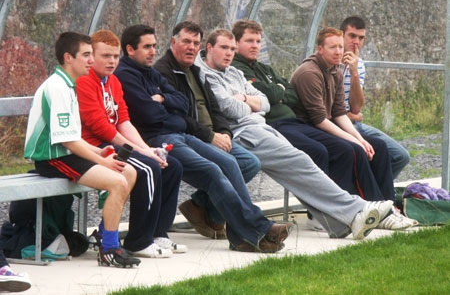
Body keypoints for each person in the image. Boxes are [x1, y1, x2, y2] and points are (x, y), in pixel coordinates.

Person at [196, 28, 393, 240]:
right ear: (209, 47)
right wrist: (250, 101)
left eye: (232, 48)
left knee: (303, 165)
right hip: (244, 134)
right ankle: (356, 209)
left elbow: (265, 102)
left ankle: (338, 222)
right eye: (224, 47)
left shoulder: (233, 72)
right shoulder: (205, 75)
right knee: (302, 160)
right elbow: (231, 109)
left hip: (262, 126)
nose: (229, 53)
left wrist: (244, 99)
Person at [114, 24, 290, 253]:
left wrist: (163, 100)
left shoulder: (158, 72)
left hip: (181, 133)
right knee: (212, 170)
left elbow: (183, 103)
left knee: (229, 163)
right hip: (158, 139)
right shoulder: (133, 74)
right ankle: (258, 229)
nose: (152, 51)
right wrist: (169, 107)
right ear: (130, 49)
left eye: (153, 46)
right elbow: (149, 113)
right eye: (147, 47)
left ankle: (241, 237)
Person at [24, 32, 140, 268]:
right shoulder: (57, 87)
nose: (91, 60)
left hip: (67, 152)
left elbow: (73, 137)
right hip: (51, 158)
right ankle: (109, 250)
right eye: (86, 55)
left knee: (129, 172)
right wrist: (103, 162)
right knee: (117, 180)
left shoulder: (68, 84)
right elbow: (66, 142)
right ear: (69, 57)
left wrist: (98, 153)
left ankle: (104, 235)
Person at [290, 27, 417, 230]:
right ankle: (369, 209)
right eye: (333, 47)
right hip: (307, 127)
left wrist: (361, 138)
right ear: (320, 49)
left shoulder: (336, 71)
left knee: (378, 147)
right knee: (353, 150)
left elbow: (340, 113)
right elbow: (319, 119)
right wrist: (356, 142)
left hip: (326, 125)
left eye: (340, 47)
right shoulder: (309, 73)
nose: (338, 51)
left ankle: (387, 207)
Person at [76, 30, 184, 258]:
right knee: (149, 167)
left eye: (115, 56)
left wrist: (148, 149)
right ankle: (138, 240)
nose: (112, 61)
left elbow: (123, 121)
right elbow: (100, 127)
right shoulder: (85, 82)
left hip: (113, 144)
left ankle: (157, 233)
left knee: (172, 165)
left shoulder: (113, 81)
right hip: (95, 148)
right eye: (105, 56)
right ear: (91, 56)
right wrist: (144, 153)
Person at [153, 21, 261, 239]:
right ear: (173, 42)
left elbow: (214, 107)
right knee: (224, 166)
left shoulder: (195, 70)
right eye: (186, 41)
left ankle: (203, 209)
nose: (192, 47)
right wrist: (210, 136)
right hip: (192, 136)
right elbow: (179, 116)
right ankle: (251, 228)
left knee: (250, 163)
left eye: (195, 42)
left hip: (213, 135)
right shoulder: (163, 71)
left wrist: (224, 133)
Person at [339, 16, 410, 179]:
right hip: (338, 124)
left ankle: (370, 193)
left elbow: (356, 107)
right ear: (341, 35)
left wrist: (354, 72)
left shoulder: (359, 64)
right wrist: (350, 115)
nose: (356, 42)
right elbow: (323, 109)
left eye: (361, 38)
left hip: (353, 123)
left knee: (400, 156)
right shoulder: (330, 61)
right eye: (352, 36)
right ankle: (365, 192)